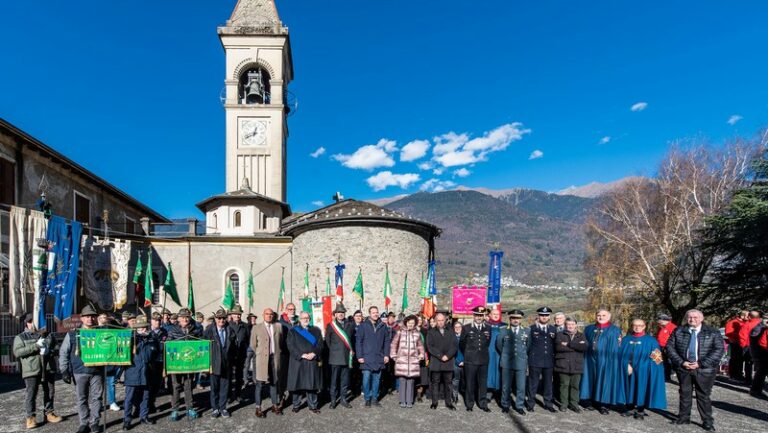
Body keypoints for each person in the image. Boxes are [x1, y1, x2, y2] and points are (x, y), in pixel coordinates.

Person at [666, 309, 723, 431]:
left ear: (701, 318)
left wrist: (700, 364)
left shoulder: (713, 332)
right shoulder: (678, 331)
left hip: (704, 369)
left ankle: (707, 421)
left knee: (703, 395)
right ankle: (684, 417)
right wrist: (681, 362)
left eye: (695, 317)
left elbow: (718, 350)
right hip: (684, 368)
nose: (692, 319)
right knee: (684, 393)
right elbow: (670, 347)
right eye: (690, 317)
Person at [59, 304, 105, 433]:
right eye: (87, 316)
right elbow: (64, 352)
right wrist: (64, 370)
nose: (90, 319)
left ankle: (94, 423)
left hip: (97, 371)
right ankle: (84, 424)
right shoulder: (73, 334)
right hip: (79, 371)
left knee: (97, 398)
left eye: (92, 316)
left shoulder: (101, 333)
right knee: (82, 399)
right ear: (82, 318)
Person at [13, 313, 61, 429]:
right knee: (31, 393)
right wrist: (35, 346)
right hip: (31, 369)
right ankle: (30, 417)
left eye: (34, 321)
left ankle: (49, 413)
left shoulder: (48, 335)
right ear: (26, 323)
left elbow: (57, 348)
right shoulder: (21, 337)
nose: (32, 324)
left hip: (48, 368)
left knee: (49, 391)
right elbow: (17, 352)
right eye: (30, 322)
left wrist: (49, 351)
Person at [619, 319, 666, 420]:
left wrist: (647, 367)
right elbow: (620, 355)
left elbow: (657, 359)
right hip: (628, 369)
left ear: (644, 326)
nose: (637, 327)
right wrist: (626, 365)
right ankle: (630, 408)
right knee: (629, 387)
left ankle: (640, 410)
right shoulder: (626, 339)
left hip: (644, 370)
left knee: (641, 388)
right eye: (635, 325)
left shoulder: (651, 341)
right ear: (632, 326)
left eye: (640, 325)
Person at [580, 309, 625, 414]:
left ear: (609, 317)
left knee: (604, 380)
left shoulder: (614, 330)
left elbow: (616, 347)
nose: (601, 317)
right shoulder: (589, 328)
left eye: (603, 315)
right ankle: (589, 400)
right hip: (589, 359)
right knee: (589, 379)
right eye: (598, 315)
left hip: (606, 360)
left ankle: (603, 404)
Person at [122, 315, 158, 430]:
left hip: (147, 372)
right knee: (129, 398)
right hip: (132, 371)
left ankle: (144, 416)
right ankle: (127, 420)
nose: (143, 329)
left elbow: (156, 353)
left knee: (145, 396)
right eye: (140, 327)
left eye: (145, 327)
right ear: (136, 328)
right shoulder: (131, 338)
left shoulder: (152, 339)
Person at [166, 308, 203, 421]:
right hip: (176, 363)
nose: (185, 319)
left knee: (188, 385)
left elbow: (200, 343)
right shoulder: (173, 330)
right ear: (179, 318)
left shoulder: (195, 329)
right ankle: (175, 409)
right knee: (176, 386)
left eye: (187, 317)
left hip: (189, 363)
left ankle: (190, 408)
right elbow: (168, 345)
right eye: (183, 317)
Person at [251, 308, 287, 418]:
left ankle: (274, 405)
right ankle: (258, 408)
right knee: (260, 384)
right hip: (262, 359)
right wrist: (260, 353)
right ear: (263, 315)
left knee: (274, 382)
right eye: (267, 314)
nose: (269, 316)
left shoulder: (278, 326)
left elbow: (281, 342)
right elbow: (253, 344)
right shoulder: (256, 328)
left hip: (274, 358)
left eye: (271, 314)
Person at [286, 312, 323, 414]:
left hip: (312, 361)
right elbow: (290, 345)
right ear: (299, 319)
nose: (305, 320)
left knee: (312, 385)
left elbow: (320, 344)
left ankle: (313, 406)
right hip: (299, 361)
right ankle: (296, 405)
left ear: (310, 319)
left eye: (307, 318)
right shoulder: (293, 331)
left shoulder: (316, 330)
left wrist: (314, 353)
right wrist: (301, 355)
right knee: (297, 385)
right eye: (303, 318)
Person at [355, 306, 391, 407]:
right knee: (366, 380)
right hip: (366, 357)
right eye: (373, 312)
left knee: (376, 380)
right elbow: (359, 342)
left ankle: (375, 398)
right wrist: (359, 356)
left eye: (377, 312)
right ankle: (367, 398)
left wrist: (386, 355)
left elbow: (386, 341)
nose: (375, 314)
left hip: (379, 357)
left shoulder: (383, 326)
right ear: (369, 314)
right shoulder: (363, 325)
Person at [497, 309, 530, 415]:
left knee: (521, 386)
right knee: (506, 386)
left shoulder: (526, 331)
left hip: (521, 362)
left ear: (521, 319)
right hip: (507, 362)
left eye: (518, 318)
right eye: (513, 318)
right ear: (510, 319)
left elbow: (528, 346)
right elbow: (499, 345)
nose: (516, 320)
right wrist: (506, 355)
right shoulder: (503, 330)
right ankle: (505, 405)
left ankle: (519, 405)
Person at [204, 309, 236, 418]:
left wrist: (232, 360)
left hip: (227, 364)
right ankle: (215, 409)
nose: (221, 320)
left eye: (223, 318)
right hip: (214, 363)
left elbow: (234, 346)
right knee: (214, 388)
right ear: (215, 319)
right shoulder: (209, 330)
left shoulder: (230, 329)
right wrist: (206, 364)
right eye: (219, 318)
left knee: (225, 387)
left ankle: (223, 408)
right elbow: (204, 347)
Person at [460, 306, 491, 412]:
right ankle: (469, 404)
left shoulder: (488, 328)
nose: (479, 317)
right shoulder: (466, 328)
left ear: (484, 316)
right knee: (470, 383)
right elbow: (462, 343)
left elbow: (487, 343)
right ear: (473, 315)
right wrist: (469, 353)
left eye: (481, 315)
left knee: (483, 383)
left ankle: (483, 403)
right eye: (477, 315)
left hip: (483, 359)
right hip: (470, 360)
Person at [390, 315, 425, 408]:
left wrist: (421, 355)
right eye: (409, 323)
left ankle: (409, 401)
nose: (411, 325)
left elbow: (420, 346)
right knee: (402, 380)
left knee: (411, 381)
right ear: (406, 323)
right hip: (402, 360)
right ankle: (402, 400)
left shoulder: (417, 334)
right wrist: (394, 356)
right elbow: (394, 344)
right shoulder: (400, 332)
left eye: (413, 323)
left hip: (413, 361)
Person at [325, 303, 355, 409]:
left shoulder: (350, 325)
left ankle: (343, 399)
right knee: (334, 381)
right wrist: (335, 351)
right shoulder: (331, 325)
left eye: (342, 312)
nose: (341, 314)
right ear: (335, 314)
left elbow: (352, 340)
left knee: (345, 381)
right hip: (335, 358)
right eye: (338, 312)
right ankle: (333, 401)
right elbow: (328, 341)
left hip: (346, 358)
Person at [527, 306, 556, 412]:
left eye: (546, 315)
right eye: (542, 315)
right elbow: (528, 345)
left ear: (549, 317)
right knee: (533, 384)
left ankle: (548, 403)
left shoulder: (553, 329)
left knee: (548, 384)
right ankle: (530, 404)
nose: (544, 317)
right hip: (535, 360)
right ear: (538, 316)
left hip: (548, 360)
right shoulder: (531, 328)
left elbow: (555, 345)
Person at [554, 317, 587, 413]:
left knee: (575, 386)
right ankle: (564, 404)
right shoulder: (560, 334)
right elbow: (558, 347)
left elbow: (584, 347)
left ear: (576, 325)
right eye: (568, 324)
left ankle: (574, 404)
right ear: (565, 325)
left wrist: (568, 344)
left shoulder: (581, 335)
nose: (570, 326)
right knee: (564, 385)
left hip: (577, 365)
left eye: (572, 324)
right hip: (563, 364)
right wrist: (577, 345)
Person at [426, 312, 457, 410]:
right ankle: (434, 402)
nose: (440, 322)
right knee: (435, 383)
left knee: (448, 383)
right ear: (435, 321)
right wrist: (440, 356)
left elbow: (454, 345)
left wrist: (448, 356)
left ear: (445, 320)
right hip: (436, 361)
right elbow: (430, 346)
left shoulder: (451, 331)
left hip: (448, 361)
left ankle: (449, 403)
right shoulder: (431, 332)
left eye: (442, 320)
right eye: (438, 320)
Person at [227, 304, 249, 402]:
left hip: (241, 354)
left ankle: (238, 394)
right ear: (232, 315)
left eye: (239, 314)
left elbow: (247, 339)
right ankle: (228, 395)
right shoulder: (227, 325)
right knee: (229, 375)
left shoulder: (245, 326)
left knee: (239, 376)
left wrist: (245, 349)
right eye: (235, 314)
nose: (237, 316)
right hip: (230, 354)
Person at [147, 312, 167, 413]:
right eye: (155, 320)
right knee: (147, 385)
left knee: (156, 385)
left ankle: (151, 403)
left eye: (159, 320)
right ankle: (143, 406)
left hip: (160, 361)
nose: (157, 322)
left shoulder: (164, 332)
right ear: (151, 321)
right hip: (149, 363)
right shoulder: (147, 332)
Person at [486, 308, 505, 405]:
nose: (496, 315)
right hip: (489, 352)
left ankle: (499, 393)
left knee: (499, 372)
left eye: (498, 314)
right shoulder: (486, 325)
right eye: (494, 314)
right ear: (490, 315)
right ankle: (488, 393)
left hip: (500, 353)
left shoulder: (504, 326)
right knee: (489, 372)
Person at [739, 310, 762, 384]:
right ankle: (759, 381)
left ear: (749, 317)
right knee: (761, 365)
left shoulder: (747, 324)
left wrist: (743, 346)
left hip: (749, 346)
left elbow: (742, 335)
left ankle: (748, 379)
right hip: (761, 347)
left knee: (748, 363)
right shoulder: (762, 324)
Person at [724, 311, 747, 381]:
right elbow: (728, 333)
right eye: (747, 316)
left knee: (740, 360)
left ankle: (739, 374)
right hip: (735, 343)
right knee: (735, 359)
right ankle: (733, 375)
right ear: (742, 316)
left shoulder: (745, 323)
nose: (749, 317)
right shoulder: (732, 322)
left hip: (743, 343)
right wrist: (741, 335)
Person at [655, 313, 677, 382]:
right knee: (657, 360)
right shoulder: (661, 327)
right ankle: (660, 375)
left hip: (667, 347)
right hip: (659, 346)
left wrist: (669, 347)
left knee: (668, 362)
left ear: (665, 320)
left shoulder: (672, 327)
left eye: (660, 320)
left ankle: (667, 377)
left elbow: (674, 339)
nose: (658, 322)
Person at [749, 315, 767, 398]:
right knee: (761, 371)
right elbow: (761, 342)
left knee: (761, 372)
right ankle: (755, 390)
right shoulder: (760, 328)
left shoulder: (761, 328)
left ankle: (755, 390)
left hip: (761, 352)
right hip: (761, 353)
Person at [244, 313, 258, 386]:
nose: (253, 319)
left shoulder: (257, 327)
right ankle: (245, 380)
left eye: (254, 318)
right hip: (248, 349)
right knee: (247, 365)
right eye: (252, 318)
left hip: (256, 349)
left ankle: (254, 379)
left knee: (255, 365)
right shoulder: (246, 327)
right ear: (248, 319)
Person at [452, 321, 464, 404]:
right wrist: (457, 361)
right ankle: (455, 396)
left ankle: (464, 395)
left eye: (459, 327)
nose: (457, 328)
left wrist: (464, 361)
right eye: (456, 327)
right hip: (455, 362)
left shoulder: (465, 338)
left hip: (465, 362)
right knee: (455, 380)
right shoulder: (452, 338)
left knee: (465, 380)